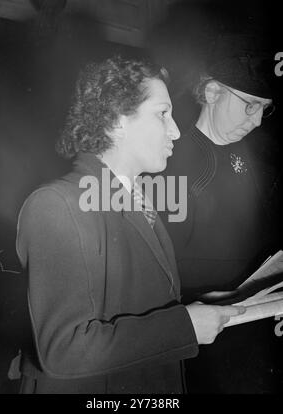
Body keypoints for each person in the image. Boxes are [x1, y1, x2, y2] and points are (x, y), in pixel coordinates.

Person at [15, 55, 244, 394]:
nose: (177, 130)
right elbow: (63, 349)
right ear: (117, 120)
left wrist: (200, 305)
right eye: (162, 114)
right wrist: (185, 327)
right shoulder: (57, 203)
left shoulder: (137, 198)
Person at [161, 54, 281, 392]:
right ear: (213, 92)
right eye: (250, 106)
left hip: (247, 325)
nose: (258, 121)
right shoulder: (173, 160)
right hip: (198, 335)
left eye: (264, 109)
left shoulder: (251, 155)